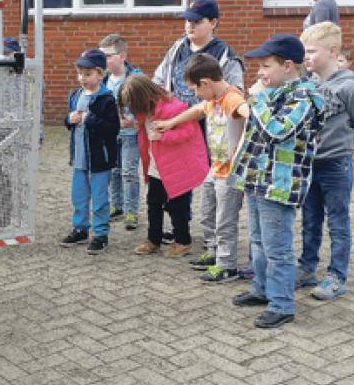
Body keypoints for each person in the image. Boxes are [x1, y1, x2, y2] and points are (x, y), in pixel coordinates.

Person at [230, 34, 326, 328]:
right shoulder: (277, 93)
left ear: (287, 66)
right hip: (258, 180)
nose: (260, 72)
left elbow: (276, 131)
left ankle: (282, 304)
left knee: (277, 248)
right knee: (258, 242)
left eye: (265, 66)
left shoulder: (304, 97)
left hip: (279, 186)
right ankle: (262, 290)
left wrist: (257, 98)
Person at [154, 53, 249, 282]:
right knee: (207, 214)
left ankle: (227, 265)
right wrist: (170, 123)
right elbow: (196, 111)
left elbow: (249, 113)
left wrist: (247, 136)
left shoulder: (232, 98)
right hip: (214, 168)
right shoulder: (212, 99)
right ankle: (213, 251)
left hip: (230, 173)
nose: (195, 95)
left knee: (225, 219)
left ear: (206, 83)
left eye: (196, 89)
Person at [295, 22, 354, 300]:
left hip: (336, 166)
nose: (306, 57)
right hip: (310, 165)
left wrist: (347, 151)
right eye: (305, 51)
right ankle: (307, 269)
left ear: (332, 51)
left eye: (312, 51)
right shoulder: (308, 85)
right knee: (310, 218)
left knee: (338, 222)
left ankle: (336, 276)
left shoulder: (350, 88)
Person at [120, 75, 209, 258]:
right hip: (156, 168)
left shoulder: (174, 109)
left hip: (177, 169)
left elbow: (190, 133)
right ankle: (153, 240)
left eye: (133, 104)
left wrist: (163, 137)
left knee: (178, 207)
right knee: (153, 204)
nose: (131, 109)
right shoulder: (143, 113)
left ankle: (183, 241)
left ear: (143, 97)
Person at [60, 48, 120, 255]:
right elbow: (68, 122)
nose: (82, 78)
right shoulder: (75, 95)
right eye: (80, 74)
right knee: (78, 196)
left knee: (100, 199)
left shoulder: (107, 99)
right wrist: (69, 120)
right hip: (79, 158)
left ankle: (101, 234)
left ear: (100, 74)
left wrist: (90, 119)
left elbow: (113, 129)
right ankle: (80, 229)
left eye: (88, 74)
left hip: (99, 160)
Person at [99, 33, 143, 230]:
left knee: (129, 172)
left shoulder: (136, 77)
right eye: (103, 56)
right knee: (113, 171)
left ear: (122, 56)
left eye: (109, 56)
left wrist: (132, 120)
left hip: (130, 135)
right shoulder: (104, 79)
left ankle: (131, 210)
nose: (104, 60)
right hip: (110, 134)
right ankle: (116, 206)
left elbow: (147, 104)